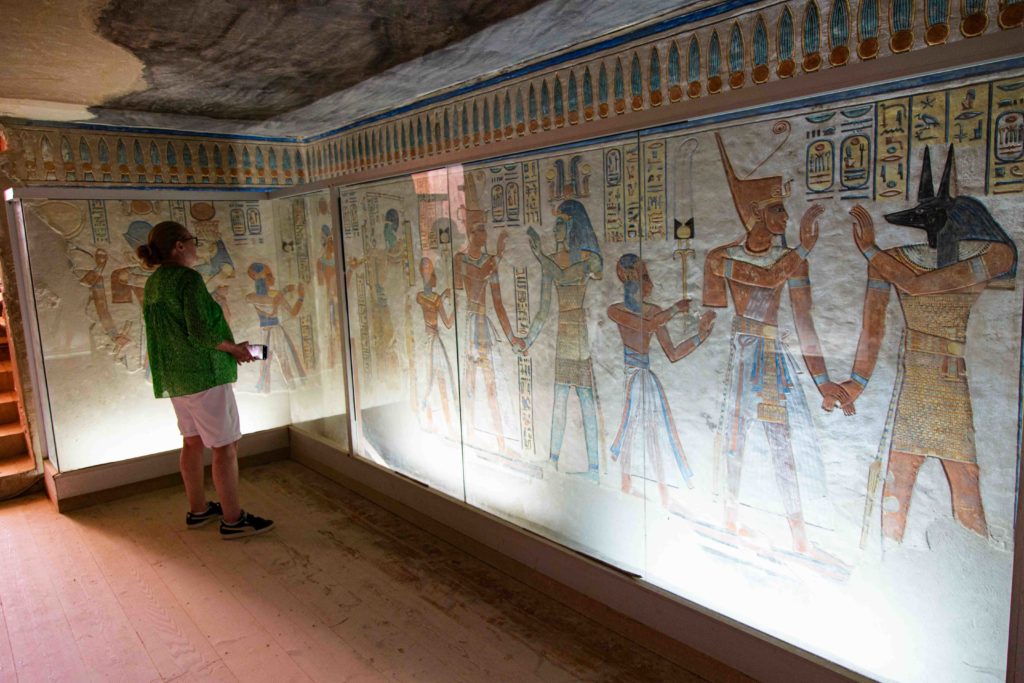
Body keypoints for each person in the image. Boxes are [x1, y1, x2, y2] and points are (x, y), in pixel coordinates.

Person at [704, 133, 846, 555]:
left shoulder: (791, 261)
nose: (786, 216)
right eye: (778, 208)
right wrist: (802, 248)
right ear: (755, 213)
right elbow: (764, 278)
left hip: (772, 359)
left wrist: (823, 382)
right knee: (735, 438)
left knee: (783, 443)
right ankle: (728, 521)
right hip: (743, 353)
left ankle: (799, 537)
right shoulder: (721, 257)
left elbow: (804, 323)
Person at [138, 220, 274, 539]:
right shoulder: (187, 279)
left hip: (176, 377)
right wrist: (235, 350)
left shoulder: (155, 281)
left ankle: (198, 510)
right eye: (191, 240)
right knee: (225, 446)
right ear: (179, 247)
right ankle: (233, 519)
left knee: (192, 441)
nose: (196, 246)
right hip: (204, 375)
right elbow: (201, 332)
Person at [608, 254, 714, 507]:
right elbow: (645, 326)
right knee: (634, 429)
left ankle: (663, 493)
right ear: (628, 278)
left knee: (656, 433)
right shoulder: (616, 310)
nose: (650, 284)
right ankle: (626, 485)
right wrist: (675, 309)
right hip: (633, 375)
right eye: (644, 277)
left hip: (646, 377)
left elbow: (673, 353)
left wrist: (700, 337)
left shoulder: (655, 312)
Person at [523, 200, 604, 479]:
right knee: (559, 397)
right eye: (556, 222)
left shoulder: (585, 259)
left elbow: (571, 275)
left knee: (585, 398)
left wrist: (540, 256)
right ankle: (553, 460)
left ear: (571, 225)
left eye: (560, 222)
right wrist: (527, 340)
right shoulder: (551, 262)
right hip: (563, 333)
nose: (555, 227)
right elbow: (544, 311)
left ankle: (594, 469)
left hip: (579, 332)